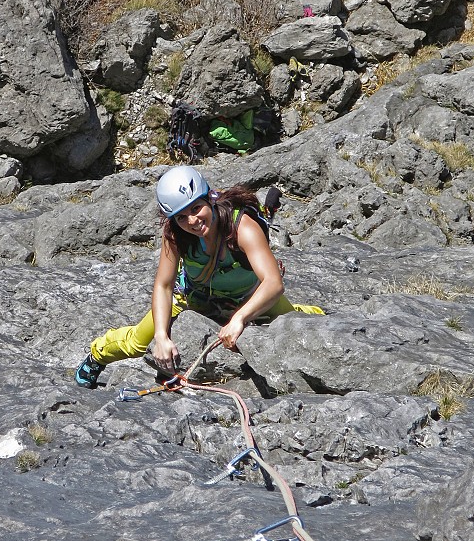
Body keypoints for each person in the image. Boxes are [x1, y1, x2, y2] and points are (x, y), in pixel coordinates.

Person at [75, 166, 325, 388]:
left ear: (209, 198)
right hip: (195, 298)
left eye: (196, 208)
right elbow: (163, 286)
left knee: (295, 323)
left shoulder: (241, 227)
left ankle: (313, 311)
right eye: (182, 217)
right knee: (138, 342)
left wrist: (239, 318)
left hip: (248, 298)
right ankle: (97, 355)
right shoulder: (175, 235)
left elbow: (273, 283)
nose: (192, 221)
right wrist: (161, 337)